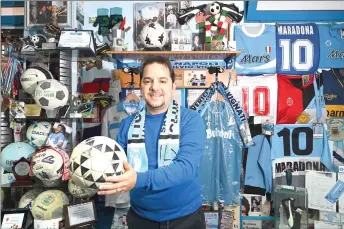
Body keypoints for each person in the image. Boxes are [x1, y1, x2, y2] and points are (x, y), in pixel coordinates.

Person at [98, 55, 206, 229]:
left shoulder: (190, 120)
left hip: (186, 219)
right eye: (148, 81)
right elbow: (118, 165)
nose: (155, 87)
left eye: (162, 81)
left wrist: (137, 180)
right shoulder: (127, 124)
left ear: (173, 86)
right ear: (140, 86)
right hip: (141, 219)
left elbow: (186, 168)